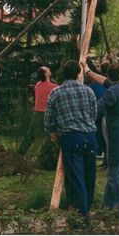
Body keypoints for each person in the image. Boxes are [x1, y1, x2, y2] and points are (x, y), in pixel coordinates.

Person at [44, 59, 97, 216]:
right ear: (77, 73)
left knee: (75, 177)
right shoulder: (88, 91)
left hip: (72, 138)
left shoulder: (56, 92)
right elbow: (94, 114)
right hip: (90, 137)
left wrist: (53, 134)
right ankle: (87, 208)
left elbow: (48, 120)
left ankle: (80, 215)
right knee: (89, 175)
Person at [84, 61, 119, 223]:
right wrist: (88, 72)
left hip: (116, 138)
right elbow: (106, 82)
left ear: (108, 76)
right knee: (113, 175)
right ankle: (106, 209)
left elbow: (97, 110)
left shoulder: (111, 93)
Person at [18, 66, 58, 167]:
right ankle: (47, 159)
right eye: (47, 69)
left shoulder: (38, 85)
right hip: (48, 114)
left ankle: (20, 154)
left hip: (37, 114)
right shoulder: (54, 87)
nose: (49, 69)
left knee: (30, 136)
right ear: (45, 73)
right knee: (51, 138)